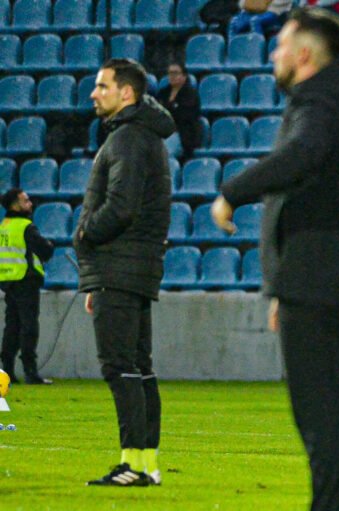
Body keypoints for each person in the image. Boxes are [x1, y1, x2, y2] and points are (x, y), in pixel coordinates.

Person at [211, 8, 339, 510]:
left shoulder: (321, 104)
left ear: (304, 55)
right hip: (315, 274)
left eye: (281, 44)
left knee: (319, 413)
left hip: (317, 274)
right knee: (329, 413)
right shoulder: (336, 102)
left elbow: (301, 154)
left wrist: (233, 192)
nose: (274, 53)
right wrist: (285, 284)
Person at [74, 58, 174, 486]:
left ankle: (132, 466)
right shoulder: (144, 136)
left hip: (119, 265)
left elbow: (121, 207)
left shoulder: (127, 138)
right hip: (132, 268)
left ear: (126, 92)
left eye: (102, 86)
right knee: (138, 367)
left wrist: (84, 235)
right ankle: (146, 463)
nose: (94, 93)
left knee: (120, 367)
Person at [0, 188, 54, 385]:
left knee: (12, 326)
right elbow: (45, 250)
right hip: (26, 280)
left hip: (8, 280)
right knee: (29, 326)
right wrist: (50, 244)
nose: (30, 204)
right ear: (15, 205)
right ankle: (30, 371)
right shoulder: (26, 227)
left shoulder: (3, 226)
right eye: (26, 201)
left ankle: (7, 370)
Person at [156, 62, 201, 162]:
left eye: (175, 73)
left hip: (182, 135)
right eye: (170, 73)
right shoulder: (163, 93)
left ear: (184, 76)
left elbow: (183, 117)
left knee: (164, 152)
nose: (172, 76)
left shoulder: (190, 94)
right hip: (162, 133)